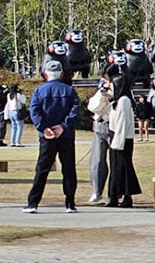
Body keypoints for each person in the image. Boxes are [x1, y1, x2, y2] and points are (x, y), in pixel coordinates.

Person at [23, 59, 80, 214]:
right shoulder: (69, 90)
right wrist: (63, 126)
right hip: (66, 135)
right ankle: (70, 203)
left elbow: (34, 111)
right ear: (61, 73)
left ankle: (33, 203)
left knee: (42, 169)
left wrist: (44, 128)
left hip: (46, 136)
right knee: (68, 168)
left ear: (46, 74)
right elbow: (75, 110)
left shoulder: (39, 91)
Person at [107, 74, 142, 208]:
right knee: (115, 168)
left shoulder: (124, 101)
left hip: (122, 139)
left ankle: (126, 196)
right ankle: (114, 195)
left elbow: (123, 122)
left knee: (123, 168)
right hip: (116, 136)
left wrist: (117, 143)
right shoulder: (117, 101)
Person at [85, 73, 114, 204]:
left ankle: (114, 193)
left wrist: (111, 97)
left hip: (114, 126)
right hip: (101, 125)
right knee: (97, 160)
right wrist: (103, 97)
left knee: (116, 161)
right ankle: (96, 191)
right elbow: (93, 107)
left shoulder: (120, 91)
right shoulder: (101, 92)